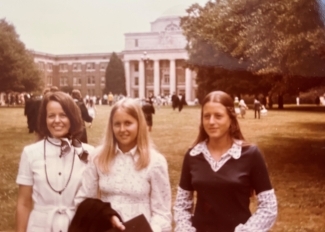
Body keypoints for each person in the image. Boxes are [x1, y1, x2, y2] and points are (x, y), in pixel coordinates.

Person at [173, 91, 277, 232]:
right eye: (206, 116)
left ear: (231, 118)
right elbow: (182, 205)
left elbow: (268, 206)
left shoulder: (250, 154)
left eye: (218, 116)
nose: (211, 122)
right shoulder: (193, 155)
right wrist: (185, 229)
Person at [75, 98, 172, 232]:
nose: (122, 129)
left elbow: (162, 213)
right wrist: (107, 215)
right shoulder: (98, 157)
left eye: (128, 123)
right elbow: (84, 200)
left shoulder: (155, 162)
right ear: (111, 126)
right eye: (117, 124)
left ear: (139, 124)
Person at [16, 91, 95, 232]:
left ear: (72, 118)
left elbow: (96, 200)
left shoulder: (88, 153)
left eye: (63, 115)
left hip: (77, 226)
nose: (57, 120)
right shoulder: (31, 153)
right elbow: (23, 203)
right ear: (44, 119)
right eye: (51, 115)